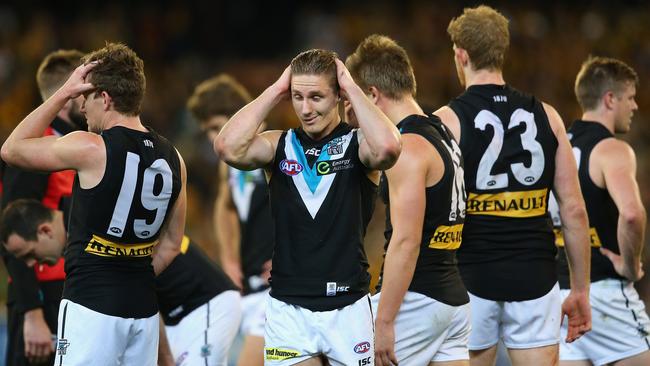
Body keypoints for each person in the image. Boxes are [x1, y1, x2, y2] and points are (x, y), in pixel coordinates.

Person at [1, 42, 187, 365]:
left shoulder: (90, 148)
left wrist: (61, 94)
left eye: (84, 99)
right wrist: (131, 272)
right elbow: (171, 245)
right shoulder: (175, 158)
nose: (82, 109)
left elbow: (12, 149)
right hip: (143, 310)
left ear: (104, 98)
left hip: (92, 304)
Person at [215, 49, 401, 365]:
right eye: (298, 96)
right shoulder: (278, 145)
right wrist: (275, 90)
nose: (305, 108)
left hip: (348, 307)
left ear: (339, 97)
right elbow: (227, 146)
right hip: (289, 309)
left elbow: (388, 147)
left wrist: (352, 88)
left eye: (316, 97)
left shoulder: (359, 145)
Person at [433, 5, 592, 366]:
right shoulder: (547, 115)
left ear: (460, 54)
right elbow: (574, 209)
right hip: (535, 277)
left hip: (471, 277)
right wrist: (580, 289)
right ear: (501, 52)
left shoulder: (447, 121)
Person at [346, 34, 470, 366]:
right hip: (453, 302)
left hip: (416, 300)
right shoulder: (443, 134)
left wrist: (384, 321)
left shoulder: (408, 146)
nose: (350, 113)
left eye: (352, 103)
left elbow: (406, 241)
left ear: (372, 94)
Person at [0, 199, 242, 366]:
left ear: (44, 231)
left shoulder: (89, 232)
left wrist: (165, 360)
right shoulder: (81, 216)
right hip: (169, 315)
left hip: (203, 303)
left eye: (29, 254)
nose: (32, 264)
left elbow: (138, 293)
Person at [549, 56, 649, 366]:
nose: (634, 106)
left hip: (559, 296)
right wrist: (630, 266)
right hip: (605, 294)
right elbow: (632, 214)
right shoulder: (612, 149)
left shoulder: (555, 146)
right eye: (629, 98)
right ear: (609, 99)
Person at [1, 49, 86, 366]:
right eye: (84, 92)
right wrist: (32, 312)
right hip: (39, 293)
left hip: (69, 290)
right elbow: (12, 233)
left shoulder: (77, 147)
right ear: (67, 96)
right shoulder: (33, 150)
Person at [187, 74, 274, 366]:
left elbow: (306, 211)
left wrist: (289, 256)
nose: (214, 138)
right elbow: (225, 206)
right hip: (248, 286)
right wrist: (229, 259)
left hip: (276, 290)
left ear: (238, 116)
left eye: (215, 127)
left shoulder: (273, 148)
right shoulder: (232, 164)